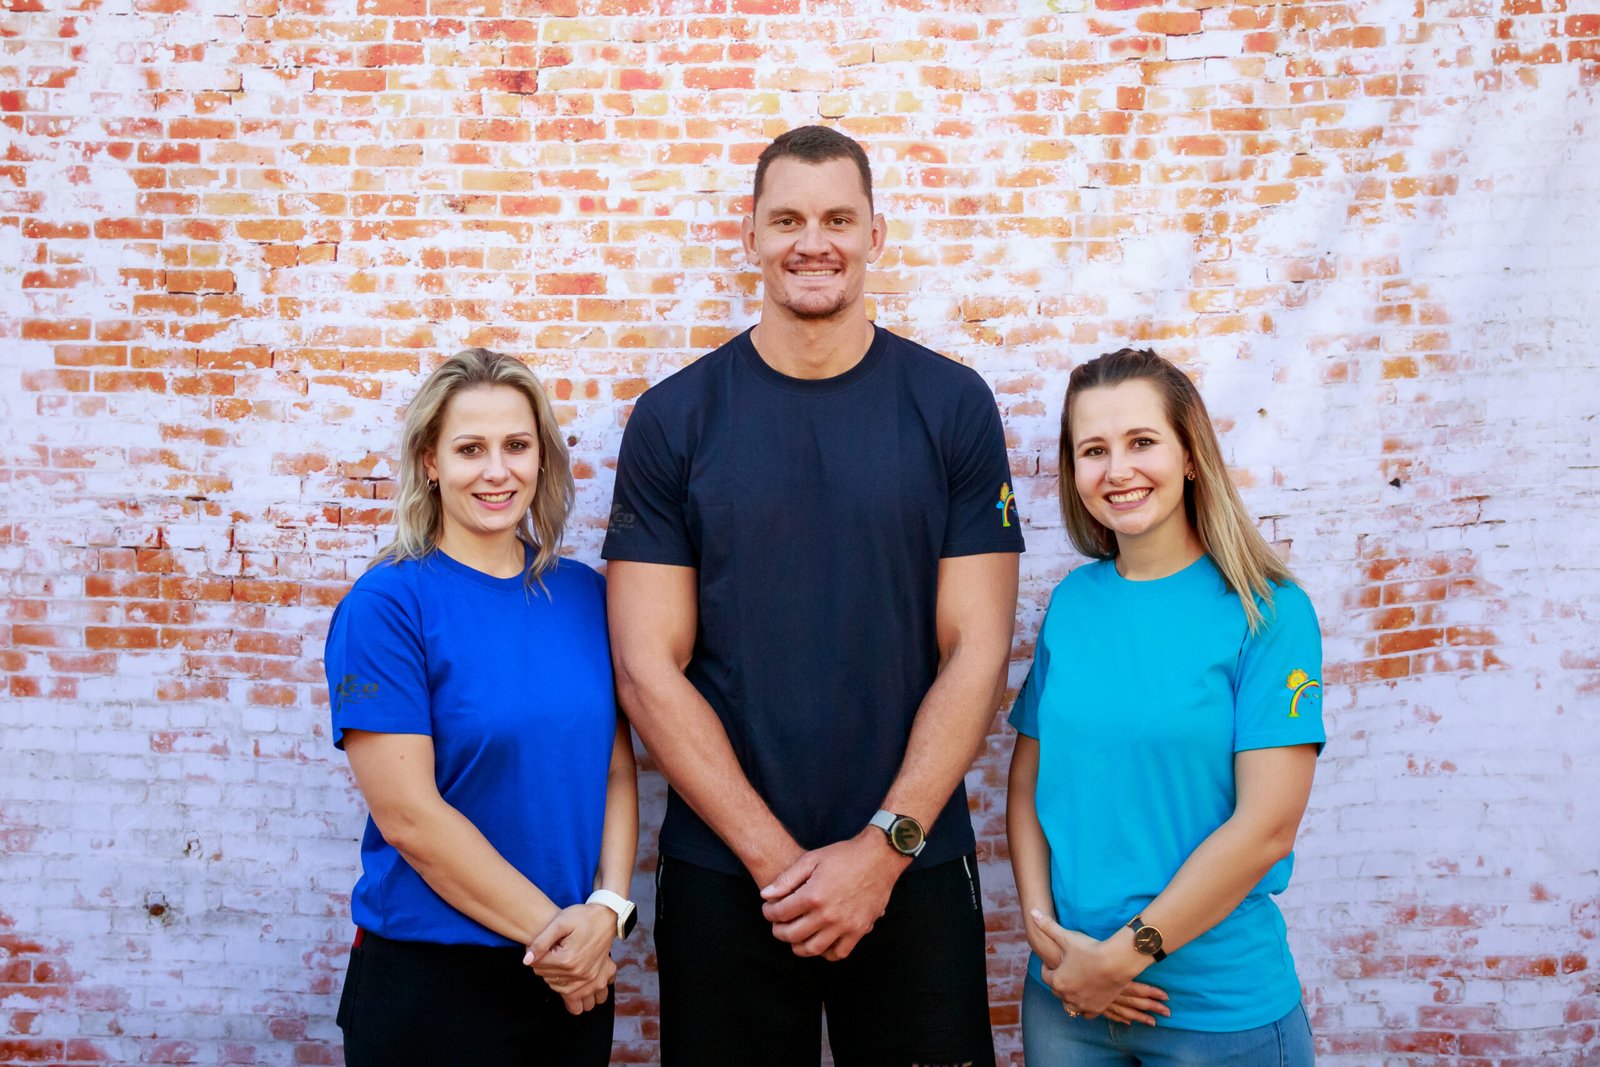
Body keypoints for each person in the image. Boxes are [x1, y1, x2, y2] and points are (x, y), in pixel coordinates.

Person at [602, 125, 1023, 1065]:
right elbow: (646, 668)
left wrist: (881, 849)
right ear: (749, 235)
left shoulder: (952, 405)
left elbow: (978, 649)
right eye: (787, 219)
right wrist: (779, 865)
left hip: (911, 859)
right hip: (727, 870)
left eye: (838, 218)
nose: (813, 241)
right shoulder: (674, 418)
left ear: (876, 234)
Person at [1006, 346, 1323, 1065]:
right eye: (1094, 450)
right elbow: (1027, 784)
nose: (1117, 470)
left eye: (1141, 441)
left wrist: (1119, 959)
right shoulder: (1072, 604)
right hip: (1066, 1002)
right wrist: (1050, 943)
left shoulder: (1269, 612)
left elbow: (1267, 829)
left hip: (1217, 1010)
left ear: (1190, 456)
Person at [323, 348, 639, 1066]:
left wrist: (608, 910)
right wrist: (565, 942)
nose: (497, 471)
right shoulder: (387, 606)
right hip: (436, 984)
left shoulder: (584, 595)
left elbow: (616, 770)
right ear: (430, 461)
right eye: (470, 449)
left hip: (571, 976)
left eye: (516, 445)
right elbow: (411, 818)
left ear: (541, 457)